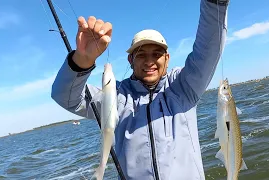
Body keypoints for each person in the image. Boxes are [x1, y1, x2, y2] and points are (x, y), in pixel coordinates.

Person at [51, 0, 229, 179]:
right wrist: (82, 59)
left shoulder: (183, 87)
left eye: (157, 54)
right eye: (142, 55)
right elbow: (66, 97)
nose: (150, 61)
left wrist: (215, 4)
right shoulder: (117, 96)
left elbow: (208, 49)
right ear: (130, 60)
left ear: (167, 59)